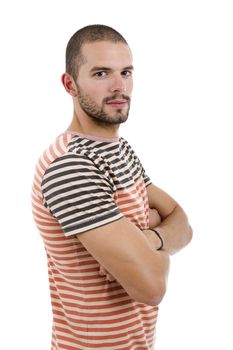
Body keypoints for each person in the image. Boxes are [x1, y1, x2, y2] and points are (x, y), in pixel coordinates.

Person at [31, 24, 192, 350]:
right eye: (102, 73)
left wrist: (148, 237)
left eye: (126, 72)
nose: (120, 86)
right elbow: (151, 288)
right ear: (70, 84)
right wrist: (156, 236)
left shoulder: (120, 151)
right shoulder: (71, 167)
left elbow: (182, 223)